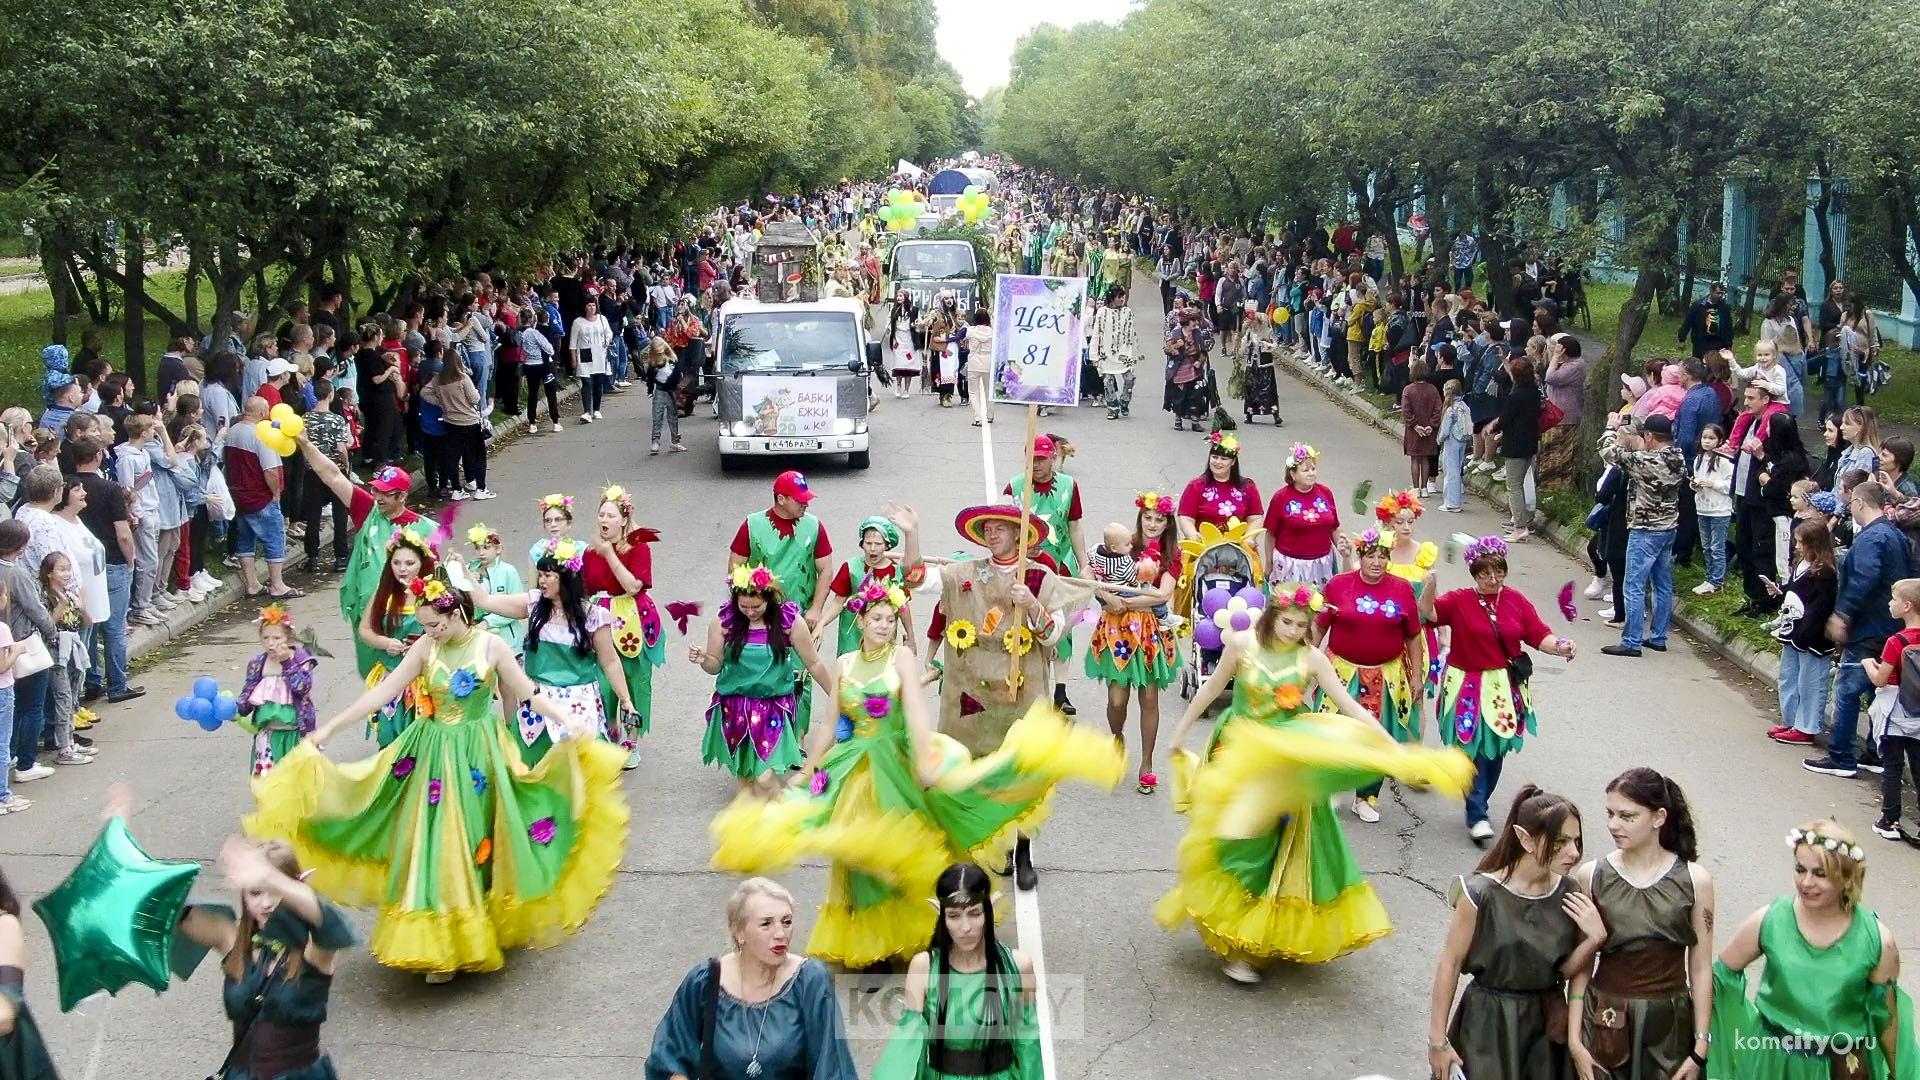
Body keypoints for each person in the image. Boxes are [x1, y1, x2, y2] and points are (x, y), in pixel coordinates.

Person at [249, 567, 629, 984]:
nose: (429, 632)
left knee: (480, 837)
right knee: (440, 840)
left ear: (455, 614)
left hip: (480, 753)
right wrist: (328, 730)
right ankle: (441, 943)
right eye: (425, 626)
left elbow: (527, 692)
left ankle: (479, 923)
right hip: (432, 754)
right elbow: (383, 691)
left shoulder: (491, 646)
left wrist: (565, 721)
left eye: (434, 624)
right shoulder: (425, 649)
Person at [714, 580, 1116, 970]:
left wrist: (926, 759)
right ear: (861, 621)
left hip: (894, 763)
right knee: (856, 850)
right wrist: (808, 770)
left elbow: (916, 712)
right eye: (877, 619)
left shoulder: (901, 659)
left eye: (891, 619)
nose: (885, 625)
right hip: (852, 766)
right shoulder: (844, 665)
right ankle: (870, 939)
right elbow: (829, 722)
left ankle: (913, 925)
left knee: (898, 846)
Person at [1158, 582, 1473, 983]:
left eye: (1300, 624)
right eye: (1287, 621)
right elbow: (1211, 688)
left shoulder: (1311, 660)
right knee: (1230, 839)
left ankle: (1249, 949)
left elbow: (1350, 705)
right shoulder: (1241, 646)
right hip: (1238, 753)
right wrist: (1179, 734)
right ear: (1273, 615)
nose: (1291, 630)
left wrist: (1395, 748)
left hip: (1286, 762)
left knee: (1270, 845)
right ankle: (1233, 925)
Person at [924, 505, 1085, 891]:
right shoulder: (966, 573)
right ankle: (982, 848)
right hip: (973, 696)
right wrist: (912, 533)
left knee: (1022, 776)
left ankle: (1023, 851)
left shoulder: (1039, 577)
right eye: (988, 529)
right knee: (972, 772)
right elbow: (919, 579)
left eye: (1000, 528)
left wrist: (1031, 603)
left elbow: (1051, 636)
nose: (992, 534)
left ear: (1019, 535)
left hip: (1022, 693)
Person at [1710, 819, 1917, 1078]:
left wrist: (1900, 1073)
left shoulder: (1877, 939)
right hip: (1773, 1063)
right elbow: (1720, 977)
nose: (1806, 882)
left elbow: (1887, 1020)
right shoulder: (1770, 920)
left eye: (1820, 874)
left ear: (1847, 878)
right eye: (1800, 869)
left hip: (1842, 1068)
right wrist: (1744, 1034)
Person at [1429, 786, 1606, 1080]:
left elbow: (1561, 971)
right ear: (1525, 838)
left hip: (1545, 1032)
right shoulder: (1479, 893)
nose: (1574, 852)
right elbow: (1450, 963)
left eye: (1576, 841)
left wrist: (1594, 940)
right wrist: (1437, 1040)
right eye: (1560, 842)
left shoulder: (1570, 892)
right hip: (1487, 1027)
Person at [1423, 536, 1579, 843]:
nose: (1493, 579)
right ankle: (1477, 811)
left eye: (1498, 572)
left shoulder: (1516, 600)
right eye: (1484, 574)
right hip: (1466, 685)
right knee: (1473, 749)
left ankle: (1477, 801)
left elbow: (1538, 634)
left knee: (1494, 751)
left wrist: (1561, 647)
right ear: (1474, 574)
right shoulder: (1458, 600)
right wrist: (1429, 586)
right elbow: (1428, 615)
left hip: (1502, 688)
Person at [1567, 769, 1714, 1080]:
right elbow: (1581, 967)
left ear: (1658, 817)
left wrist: (1700, 1045)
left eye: (1626, 816)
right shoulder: (1591, 876)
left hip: (1668, 1027)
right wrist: (1575, 1041)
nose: (1613, 825)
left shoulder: (1695, 881)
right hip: (1605, 1017)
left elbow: (1700, 967)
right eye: (1610, 813)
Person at [644, 878, 858, 1080]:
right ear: (739, 931)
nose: (780, 934)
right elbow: (669, 1055)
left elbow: (831, 1065)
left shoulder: (810, 980)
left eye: (786, 922)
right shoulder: (705, 981)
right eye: (766, 924)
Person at [456, 537, 637, 768]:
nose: (541, 580)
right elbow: (485, 600)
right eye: (540, 574)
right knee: (532, 771)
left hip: (578, 705)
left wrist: (626, 700)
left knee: (576, 774)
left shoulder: (593, 615)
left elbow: (610, 661)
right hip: (538, 702)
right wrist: (462, 569)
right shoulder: (533, 604)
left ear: (566, 578)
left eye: (548, 575)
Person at [872, 864, 1042, 1080]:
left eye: (974, 913)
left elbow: (1027, 1039)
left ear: (990, 909)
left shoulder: (1018, 967)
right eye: (954, 916)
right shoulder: (923, 968)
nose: (965, 927)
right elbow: (908, 1043)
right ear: (940, 914)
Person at [692, 563, 835, 793]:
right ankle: (755, 824)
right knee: (745, 781)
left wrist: (836, 697)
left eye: (756, 606)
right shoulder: (723, 622)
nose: (750, 612)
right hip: (734, 707)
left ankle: (781, 814)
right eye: (744, 606)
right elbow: (714, 666)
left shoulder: (789, 621)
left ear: (769, 599)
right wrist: (703, 659)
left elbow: (815, 664)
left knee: (765, 778)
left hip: (773, 708)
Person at [1317, 528, 1426, 825]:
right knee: (1336, 734)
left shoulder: (1402, 589)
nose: (1376, 562)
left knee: (1376, 738)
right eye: (1371, 555)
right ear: (1361, 556)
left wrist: (1416, 676)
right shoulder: (1339, 585)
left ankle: (1366, 797)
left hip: (1385, 676)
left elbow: (1414, 636)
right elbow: (1319, 627)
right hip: (1342, 673)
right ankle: (1330, 788)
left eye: (1383, 556)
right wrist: (1305, 666)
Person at [293, 435, 422, 681]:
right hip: (368, 613)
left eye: (385, 493)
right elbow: (331, 475)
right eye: (375, 490)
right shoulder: (367, 510)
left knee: (408, 683)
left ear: (401, 497)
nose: (377, 497)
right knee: (374, 680)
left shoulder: (423, 528)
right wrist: (306, 444)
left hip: (405, 617)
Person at [1813, 481, 1913, 779]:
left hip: (1868, 626)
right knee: (1876, 690)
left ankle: (1841, 755)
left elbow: (1863, 578)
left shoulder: (1871, 539)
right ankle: (1873, 751)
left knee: (1847, 690)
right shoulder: (1894, 533)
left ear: (1859, 503)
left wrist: (1843, 613)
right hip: (1888, 626)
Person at [1087, 493, 1182, 794]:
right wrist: (1104, 596)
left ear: (1168, 523)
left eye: (1159, 519)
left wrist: (1122, 603)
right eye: (1148, 518)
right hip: (1117, 632)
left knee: (1150, 698)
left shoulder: (1171, 554)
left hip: (1151, 632)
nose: (1152, 524)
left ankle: (1147, 763)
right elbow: (1089, 573)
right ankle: (1117, 738)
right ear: (1140, 518)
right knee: (1117, 699)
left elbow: (1162, 595)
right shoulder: (1122, 542)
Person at [580, 486, 665, 766]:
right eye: (601, 514)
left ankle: (631, 742)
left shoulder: (638, 547)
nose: (604, 520)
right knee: (602, 682)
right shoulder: (590, 552)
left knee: (635, 680)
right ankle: (608, 739)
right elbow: (583, 589)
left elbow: (632, 586)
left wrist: (610, 555)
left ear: (623, 520)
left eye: (610, 515)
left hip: (633, 617)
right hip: (601, 616)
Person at [1004, 435, 1085, 715]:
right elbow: (1004, 526)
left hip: (1061, 566)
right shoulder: (1014, 487)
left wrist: (1084, 563)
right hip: (1025, 567)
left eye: (1041, 459)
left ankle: (1061, 692)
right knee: (1027, 626)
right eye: (1031, 459)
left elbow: (1075, 527)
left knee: (1062, 630)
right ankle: (1030, 689)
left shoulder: (1069, 486)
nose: (1035, 465)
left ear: (1053, 458)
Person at [1601, 415, 1685, 658]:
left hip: (1645, 529)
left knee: (1634, 584)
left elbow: (1608, 453)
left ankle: (1632, 640)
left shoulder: (1643, 460)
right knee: (1662, 584)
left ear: (1649, 436)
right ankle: (1658, 636)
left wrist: (1612, 429)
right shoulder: (1677, 457)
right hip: (1668, 527)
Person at [730, 470, 833, 631]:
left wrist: (816, 609)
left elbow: (825, 569)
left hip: (802, 615)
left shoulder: (814, 525)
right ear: (781, 499)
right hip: (760, 616)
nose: (806, 504)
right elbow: (735, 570)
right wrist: (747, 609)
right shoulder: (752, 525)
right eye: (800, 500)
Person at [816, 513, 923, 660]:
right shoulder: (851, 567)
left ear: (887, 545)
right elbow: (838, 602)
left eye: (878, 544)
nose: (872, 549)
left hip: (883, 636)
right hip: (851, 639)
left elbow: (903, 606)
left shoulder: (894, 572)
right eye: (868, 543)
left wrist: (911, 637)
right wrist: (821, 624)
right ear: (862, 543)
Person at [1863, 577, 1920, 839]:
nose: (1890, 603)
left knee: (1893, 766)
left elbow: (1880, 679)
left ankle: (1890, 819)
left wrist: (1867, 665)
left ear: (1907, 605)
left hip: (1894, 710)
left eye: (1894, 599)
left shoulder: (1897, 641)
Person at [235, 604, 318, 776]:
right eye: (265, 638)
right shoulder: (257, 663)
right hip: (269, 735)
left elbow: (302, 688)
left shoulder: (301, 659)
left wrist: (287, 662)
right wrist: (235, 709)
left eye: (276, 638)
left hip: (296, 733)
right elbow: (248, 694)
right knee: (269, 783)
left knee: (297, 781)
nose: (271, 644)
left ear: (288, 639)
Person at [1262, 443, 1342, 588]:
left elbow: (1334, 527)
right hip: (1291, 565)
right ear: (1293, 474)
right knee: (1291, 608)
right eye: (1306, 470)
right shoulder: (1281, 497)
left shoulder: (1325, 493)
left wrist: (1342, 547)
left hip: (1321, 564)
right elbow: (1270, 534)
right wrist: (1268, 562)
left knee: (1320, 605)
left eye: (1313, 469)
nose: (1311, 473)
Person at [1487, 355, 1543, 541]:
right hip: (1530, 441)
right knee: (1524, 481)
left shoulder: (1515, 396)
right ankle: (1524, 518)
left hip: (1515, 444)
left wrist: (1493, 427)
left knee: (1514, 485)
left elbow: (1505, 419)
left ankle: (1520, 526)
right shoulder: (1534, 392)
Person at [1176, 432, 1263, 540]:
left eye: (1224, 459)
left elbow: (1255, 518)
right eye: (1214, 457)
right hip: (1203, 547)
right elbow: (1186, 518)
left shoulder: (1247, 487)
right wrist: (1193, 535)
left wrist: (1249, 539)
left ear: (1233, 462)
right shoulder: (1195, 486)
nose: (1218, 462)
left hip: (1238, 548)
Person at [464, 524, 525, 655]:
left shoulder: (508, 571)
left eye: (486, 547)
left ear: (498, 549)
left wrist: (488, 622)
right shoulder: (468, 569)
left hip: (508, 641)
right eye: (477, 548)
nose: (481, 552)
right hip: (477, 636)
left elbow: (518, 606)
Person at [1092, 286, 1139, 421]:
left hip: (1124, 352)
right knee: (1108, 381)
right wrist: (1094, 355)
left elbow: (1131, 334)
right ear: (1112, 298)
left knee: (1129, 379)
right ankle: (1112, 407)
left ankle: (1124, 402)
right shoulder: (1102, 312)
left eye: (1123, 296)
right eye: (1119, 297)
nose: (1122, 299)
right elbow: (1097, 333)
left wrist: (1133, 354)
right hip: (1106, 352)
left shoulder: (1128, 312)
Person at [1402, 357, 1442, 494]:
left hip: (1414, 430)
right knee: (1426, 458)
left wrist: (1414, 425)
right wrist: (1432, 425)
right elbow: (1438, 408)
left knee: (1415, 458)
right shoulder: (1433, 390)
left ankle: (1415, 488)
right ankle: (1424, 488)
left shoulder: (1408, 390)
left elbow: (1406, 410)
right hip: (1429, 430)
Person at [1677, 281, 1733, 359]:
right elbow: (1687, 322)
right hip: (1700, 342)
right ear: (1711, 291)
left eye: (1722, 293)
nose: (1720, 296)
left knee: (1715, 366)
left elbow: (1728, 327)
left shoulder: (1724, 308)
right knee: (1698, 366)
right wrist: (1682, 339)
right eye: (1718, 293)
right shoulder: (1698, 306)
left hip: (1718, 343)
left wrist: (1728, 345)